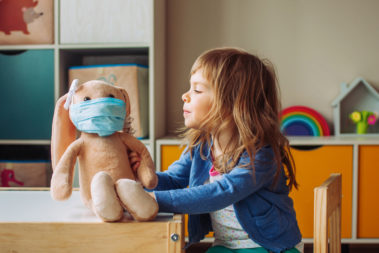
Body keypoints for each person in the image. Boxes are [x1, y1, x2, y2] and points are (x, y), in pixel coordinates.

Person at [130, 47, 303, 253]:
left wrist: (155, 201)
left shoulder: (260, 155)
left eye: (197, 90)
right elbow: (174, 179)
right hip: (227, 246)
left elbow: (221, 192)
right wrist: (141, 178)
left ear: (232, 102)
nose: (185, 95)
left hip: (269, 246)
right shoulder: (201, 146)